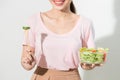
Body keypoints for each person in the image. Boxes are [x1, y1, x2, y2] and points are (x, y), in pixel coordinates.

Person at [21, 0, 101, 80]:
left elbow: (86, 63)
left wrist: (89, 63)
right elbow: (25, 61)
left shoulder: (85, 24)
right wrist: (27, 63)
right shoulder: (34, 20)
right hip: (41, 77)